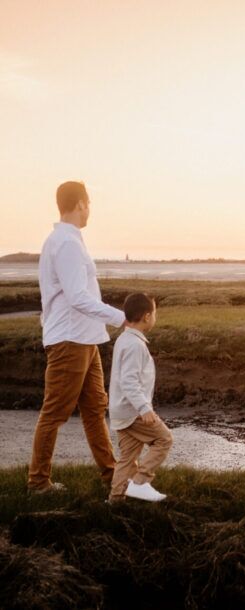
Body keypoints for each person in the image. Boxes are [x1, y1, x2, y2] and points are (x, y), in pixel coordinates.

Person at [28, 181, 126, 493]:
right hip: (71, 340)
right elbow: (76, 297)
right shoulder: (66, 243)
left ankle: (112, 475)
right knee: (55, 411)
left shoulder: (65, 240)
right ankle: (38, 483)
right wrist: (121, 318)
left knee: (95, 408)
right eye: (89, 203)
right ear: (81, 203)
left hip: (85, 339)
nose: (90, 209)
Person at [108, 293, 172, 503]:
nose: (155, 318)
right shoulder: (135, 346)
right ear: (146, 316)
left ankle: (115, 501)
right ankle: (140, 483)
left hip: (120, 410)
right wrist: (144, 408)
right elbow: (128, 382)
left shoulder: (124, 339)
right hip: (133, 411)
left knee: (127, 457)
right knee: (164, 439)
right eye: (154, 314)